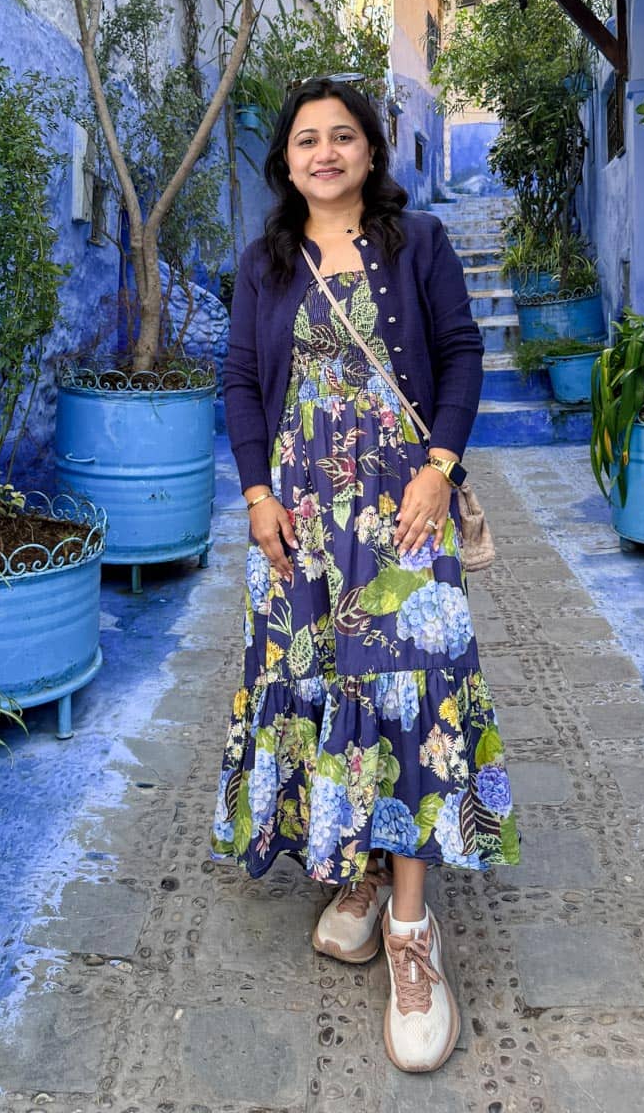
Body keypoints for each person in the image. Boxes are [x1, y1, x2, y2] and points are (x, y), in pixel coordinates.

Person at [211, 76, 519, 1076]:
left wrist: (440, 468)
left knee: (412, 694)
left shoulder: (416, 245)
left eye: (344, 136)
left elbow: (463, 357)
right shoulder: (264, 263)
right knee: (320, 687)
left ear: (372, 152)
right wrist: (256, 493)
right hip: (298, 521)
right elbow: (241, 381)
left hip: (402, 511)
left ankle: (412, 933)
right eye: (308, 139)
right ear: (286, 161)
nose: (326, 151)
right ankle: (354, 871)